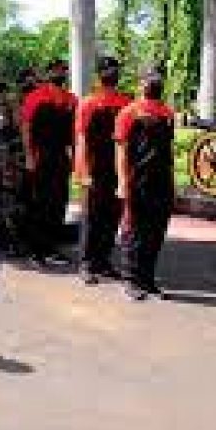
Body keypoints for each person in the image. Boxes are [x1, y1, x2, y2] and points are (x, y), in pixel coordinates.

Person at [115, 67, 175, 301]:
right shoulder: (128, 113)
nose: (154, 84)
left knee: (156, 231)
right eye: (150, 80)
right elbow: (120, 150)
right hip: (136, 180)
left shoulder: (167, 113)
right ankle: (131, 280)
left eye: (157, 80)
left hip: (161, 182)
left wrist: (172, 183)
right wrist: (121, 182)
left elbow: (168, 151)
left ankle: (148, 279)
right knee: (134, 232)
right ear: (141, 84)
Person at [74, 56, 132, 284]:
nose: (112, 74)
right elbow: (81, 138)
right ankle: (87, 264)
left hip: (115, 168)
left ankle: (104, 261)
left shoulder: (125, 102)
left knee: (112, 216)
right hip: (94, 168)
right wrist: (83, 171)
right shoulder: (88, 103)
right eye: (108, 70)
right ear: (100, 74)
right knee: (92, 217)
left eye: (115, 70)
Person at [20, 59, 77, 268]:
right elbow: (26, 127)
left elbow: (73, 133)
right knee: (39, 203)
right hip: (40, 155)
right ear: (48, 73)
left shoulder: (71, 100)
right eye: (56, 70)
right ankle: (36, 250)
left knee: (59, 202)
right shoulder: (35, 97)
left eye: (63, 70)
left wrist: (75, 157)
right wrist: (28, 156)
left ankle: (52, 247)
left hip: (61, 156)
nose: (60, 73)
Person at [0, 68, 28, 257]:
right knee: (0, 202)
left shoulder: (11, 102)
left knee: (11, 202)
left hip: (8, 160)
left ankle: (10, 241)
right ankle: (1, 241)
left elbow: (18, 129)